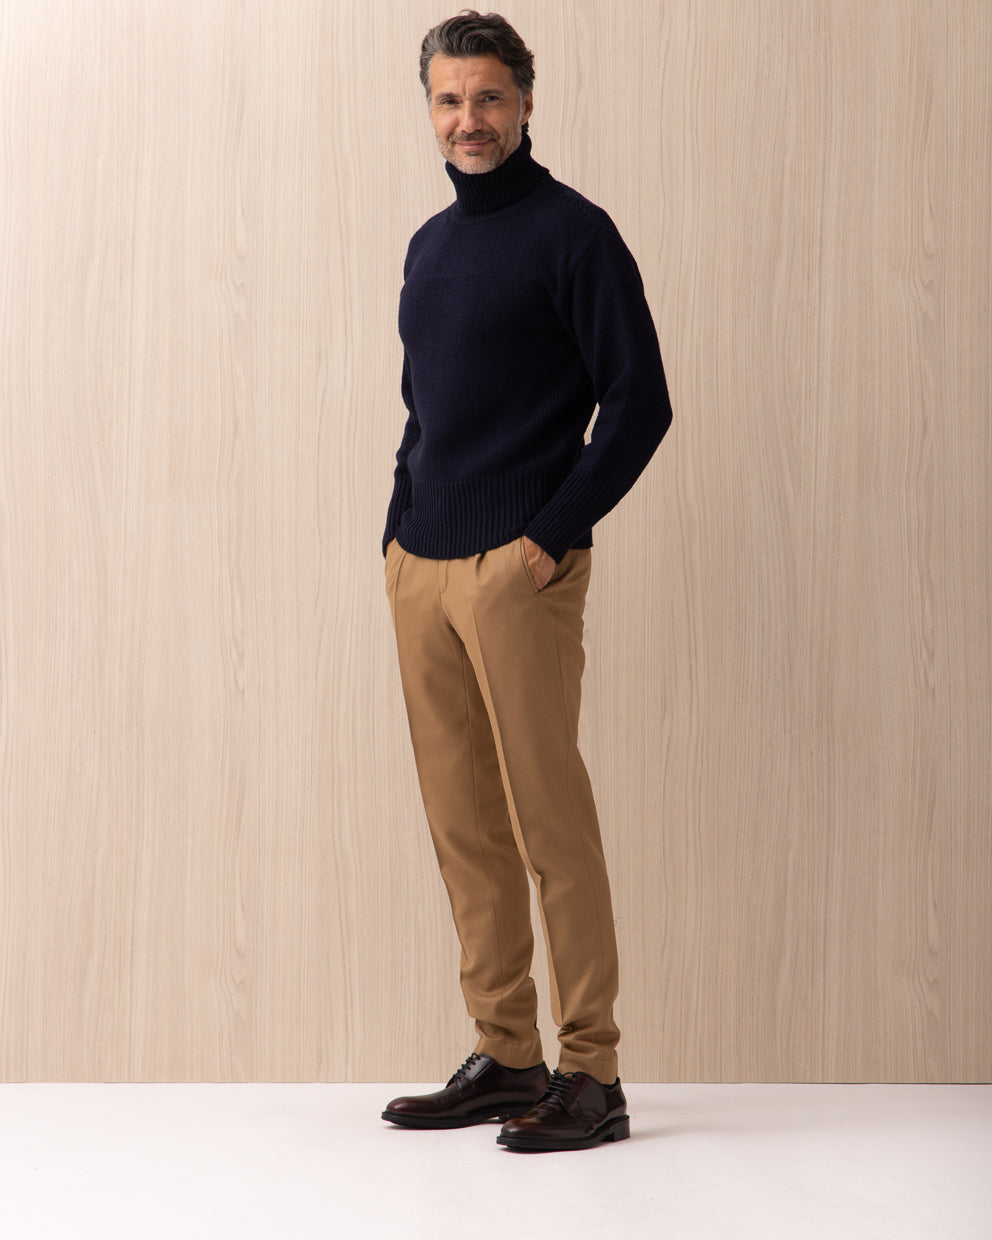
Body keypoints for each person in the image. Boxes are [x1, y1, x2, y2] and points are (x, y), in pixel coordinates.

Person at [380, 10, 672, 1153]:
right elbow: (423, 408)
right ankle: (505, 1051)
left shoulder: (573, 234)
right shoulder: (428, 245)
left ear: (526, 103)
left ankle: (591, 1070)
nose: (470, 120)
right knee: (462, 822)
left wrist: (547, 538)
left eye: (489, 98)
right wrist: (395, 532)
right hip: (421, 567)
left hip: (520, 569)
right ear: (431, 109)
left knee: (549, 820)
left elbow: (638, 401)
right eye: (450, 100)